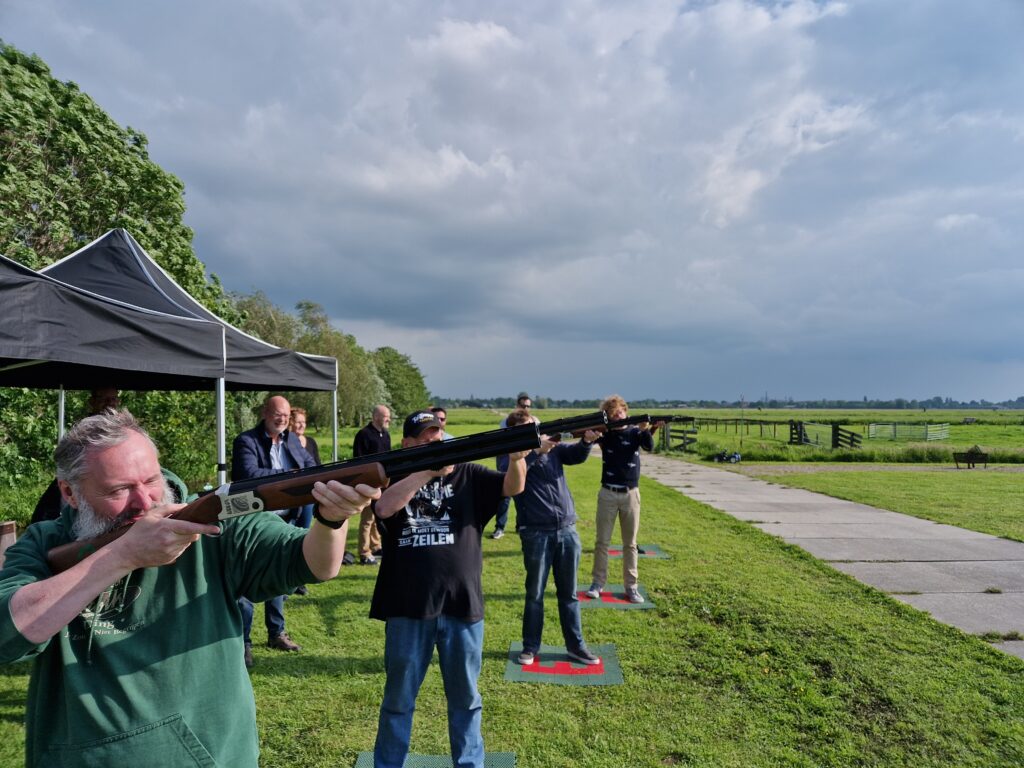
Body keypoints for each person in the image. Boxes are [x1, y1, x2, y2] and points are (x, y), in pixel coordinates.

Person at [0, 409, 376, 766]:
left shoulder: (213, 523)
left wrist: (331, 519)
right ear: (69, 493)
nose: (144, 501)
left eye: (150, 480)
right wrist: (120, 557)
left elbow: (313, 563)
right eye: (120, 490)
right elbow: (8, 632)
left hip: (215, 756)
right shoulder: (44, 543)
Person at [370, 410, 528, 768]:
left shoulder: (468, 473)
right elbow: (383, 507)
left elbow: (512, 486)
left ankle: (469, 763)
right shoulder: (393, 474)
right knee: (398, 699)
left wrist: (518, 458)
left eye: (437, 434)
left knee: (466, 699)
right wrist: (426, 470)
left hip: (462, 605)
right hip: (408, 605)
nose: (434, 439)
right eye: (425, 436)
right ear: (408, 444)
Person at [505, 408, 601, 666]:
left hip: (567, 529)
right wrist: (536, 452)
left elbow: (575, 455)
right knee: (534, 593)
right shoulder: (511, 455)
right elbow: (510, 479)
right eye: (531, 427)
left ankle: (576, 647)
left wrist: (586, 441)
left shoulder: (553, 448)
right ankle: (530, 647)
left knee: (569, 593)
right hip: (535, 532)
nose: (538, 431)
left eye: (537, 426)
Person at [233, 395, 317, 665]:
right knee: (246, 584)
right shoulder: (246, 440)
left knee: (279, 582)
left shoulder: (291, 439)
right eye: (277, 414)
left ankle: (276, 633)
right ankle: (243, 642)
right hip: (254, 524)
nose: (282, 419)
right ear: (265, 413)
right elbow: (247, 474)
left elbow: (311, 466)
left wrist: (298, 475)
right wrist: (288, 477)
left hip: (285, 520)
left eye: (286, 415)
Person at [585, 394, 658, 604]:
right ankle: (597, 583)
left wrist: (646, 428)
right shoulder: (605, 434)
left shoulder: (636, 432)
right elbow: (587, 436)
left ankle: (631, 586)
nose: (618, 416)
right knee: (602, 542)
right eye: (613, 414)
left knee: (630, 544)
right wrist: (590, 434)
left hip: (631, 494)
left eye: (620, 412)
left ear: (626, 412)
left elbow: (649, 446)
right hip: (607, 493)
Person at [30, 387, 122, 525]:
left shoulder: (124, 429)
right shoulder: (82, 430)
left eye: (113, 399)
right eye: (104, 399)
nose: (109, 403)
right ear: (92, 402)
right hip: (83, 484)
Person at [353, 404, 391, 565]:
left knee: (377, 518)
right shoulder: (364, 435)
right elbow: (359, 460)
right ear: (376, 417)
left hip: (383, 482)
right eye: (385, 416)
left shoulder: (386, 434)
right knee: (367, 519)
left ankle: (376, 546)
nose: (388, 419)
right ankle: (364, 552)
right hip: (369, 483)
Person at [490, 392, 532, 539]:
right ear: (517, 405)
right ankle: (499, 527)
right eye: (523, 405)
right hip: (505, 465)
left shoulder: (534, 421)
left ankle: (521, 526)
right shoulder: (507, 421)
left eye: (528, 406)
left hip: (524, 466)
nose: (526, 408)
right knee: (504, 499)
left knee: (522, 498)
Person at [289, 406, 321, 530]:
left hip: (308, 494)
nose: (302, 425)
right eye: (299, 422)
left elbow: (317, 465)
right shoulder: (285, 442)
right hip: (291, 495)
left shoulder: (311, 442)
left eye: (304, 422)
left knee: (305, 530)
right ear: (291, 423)